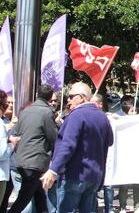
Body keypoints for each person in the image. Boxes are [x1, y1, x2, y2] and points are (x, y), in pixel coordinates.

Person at [40, 82, 114, 213]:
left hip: (74, 175)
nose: (68, 100)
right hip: (94, 176)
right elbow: (109, 141)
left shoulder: (76, 115)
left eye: (70, 96)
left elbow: (67, 145)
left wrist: (53, 170)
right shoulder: (103, 116)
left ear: (82, 97)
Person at [8, 84, 58, 213]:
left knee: (39, 196)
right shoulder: (47, 112)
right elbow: (53, 137)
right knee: (24, 198)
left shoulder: (25, 111)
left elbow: (18, 132)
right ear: (49, 97)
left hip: (22, 160)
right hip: (35, 161)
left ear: (37, 95)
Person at [0, 91, 14, 207]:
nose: (9, 106)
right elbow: (2, 153)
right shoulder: (1, 124)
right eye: (6, 104)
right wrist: (12, 144)